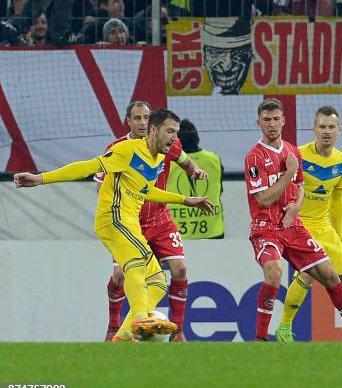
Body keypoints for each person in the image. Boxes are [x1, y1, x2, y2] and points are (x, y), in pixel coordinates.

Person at [14, 108, 214, 342]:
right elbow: (87, 167)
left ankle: (123, 335)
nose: (174, 137)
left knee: (158, 282)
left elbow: (145, 189)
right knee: (137, 262)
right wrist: (41, 178)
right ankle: (141, 319)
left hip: (130, 224)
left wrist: (185, 200)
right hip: (113, 218)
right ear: (153, 129)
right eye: (170, 131)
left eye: (176, 133)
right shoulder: (126, 151)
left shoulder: (158, 158)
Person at [244, 98, 342, 342]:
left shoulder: (294, 152)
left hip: (296, 227)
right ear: (259, 123)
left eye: (276, 119)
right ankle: (263, 336)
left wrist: (295, 206)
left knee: (333, 277)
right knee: (275, 273)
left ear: (283, 121)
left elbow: (300, 187)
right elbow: (263, 199)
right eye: (266, 120)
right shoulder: (255, 157)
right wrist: (288, 173)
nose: (272, 124)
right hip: (267, 229)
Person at [96, 102, 208, 343]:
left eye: (146, 118)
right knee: (119, 275)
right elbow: (99, 182)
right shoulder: (117, 148)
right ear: (128, 121)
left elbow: (186, 162)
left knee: (180, 269)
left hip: (160, 219)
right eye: (137, 118)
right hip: (129, 220)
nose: (142, 123)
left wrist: (195, 171)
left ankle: (177, 331)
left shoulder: (168, 143)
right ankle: (114, 327)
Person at [274, 106, 342, 342]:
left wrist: (338, 233)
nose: (326, 131)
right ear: (314, 129)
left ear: (339, 130)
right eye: (322, 127)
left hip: (325, 227)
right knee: (308, 275)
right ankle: (284, 327)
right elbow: (284, 187)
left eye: (331, 127)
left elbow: (337, 198)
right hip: (301, 226)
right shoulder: (297, 154)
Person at [167, 119, 224, 239]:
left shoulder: (167, 162)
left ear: (176, 142)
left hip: (177, 235)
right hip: (212, 231)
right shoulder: (214, 159)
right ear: (197, 139)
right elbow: (220, 190)